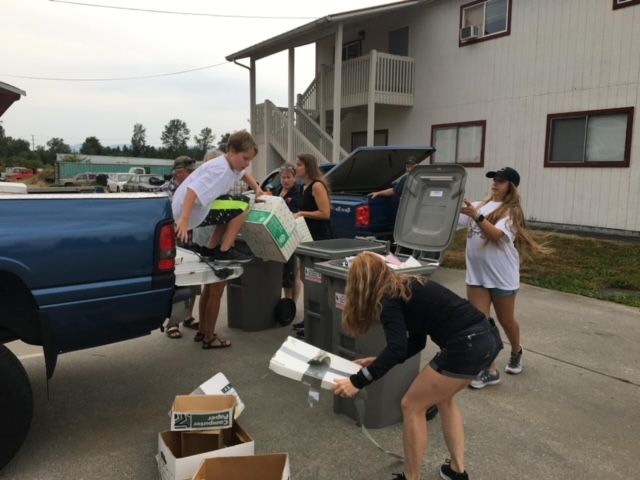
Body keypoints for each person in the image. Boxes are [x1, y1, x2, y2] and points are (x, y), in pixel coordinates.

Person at [333, 252, 502, 480]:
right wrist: (377, 360)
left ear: (360, 283)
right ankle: (457, 470)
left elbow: (396, 349)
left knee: (411, 406)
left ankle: (412, 476)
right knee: (444, 399)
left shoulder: (387, 298)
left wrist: (357, 381)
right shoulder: (408, 285)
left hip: (466, 344)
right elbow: (415, 341)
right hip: (487, 339)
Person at [458, 167, 548, 389]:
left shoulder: (511, 212)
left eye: (501, 180)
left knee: (506, 321)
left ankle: (516, 351)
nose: (495, 183)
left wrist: (476, 216)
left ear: (511, 186)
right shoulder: (480, 205)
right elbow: (453, 222)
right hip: (477, 275)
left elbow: (496, 235)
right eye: (494, 179)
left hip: (501, 277)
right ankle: (489, 369)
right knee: (480, 324)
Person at [172, 130, 263, 264]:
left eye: (250, 159)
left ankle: (210, 250)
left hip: (191, 209)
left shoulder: (231, 166)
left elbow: (244, 174)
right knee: (244, 204)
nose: (248, 163)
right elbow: (192, 190)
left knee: (229, 209)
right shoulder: (220, 170)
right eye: (245, 158)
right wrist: (184, 220)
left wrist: (257, 188)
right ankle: (224, 251)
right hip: (188, 211)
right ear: (232, 151)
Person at [163, 156, 200, 339]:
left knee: (193, 281)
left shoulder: (192, 188)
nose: (193, 174)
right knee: (177, 283)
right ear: (178, 173)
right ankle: (173, 323)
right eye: (189, 171)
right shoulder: (166, 192)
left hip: (193, 241)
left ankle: (188, 316)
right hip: (175, 245)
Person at [273, 163, 303, 302]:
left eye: (288, 177)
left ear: (294, 178)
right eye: (283, 177)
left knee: (293, 272)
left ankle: (292, 303)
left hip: (292, 235)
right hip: (279, 233)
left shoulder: (298, 192)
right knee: (285, 271)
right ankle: (286, 300)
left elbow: (296, 212)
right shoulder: (278, 189)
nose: (285, 180)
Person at [294, 153, 333, 241]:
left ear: (308, 167)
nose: (296, 168)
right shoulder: (302, 187)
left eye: (299, 165)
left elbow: (325, 214)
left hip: (320, 236)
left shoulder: (317, 186)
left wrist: (301, 213)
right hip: (307, 234)